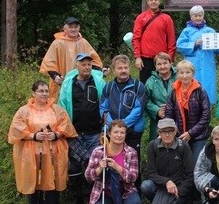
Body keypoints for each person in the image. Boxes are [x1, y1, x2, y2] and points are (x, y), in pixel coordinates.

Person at [8, 80, 78, 204]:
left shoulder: (57, 109)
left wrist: (57, 134)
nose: (44, 93)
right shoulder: (24, 111)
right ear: (33, 93)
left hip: (53, 154)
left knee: (53, 182)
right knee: (34, 183)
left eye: (46, 91)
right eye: (41, 91)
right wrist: (32, 136)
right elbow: (16, 129)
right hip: (31, 155)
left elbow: (66, 125)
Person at [58, 53, 106, 204]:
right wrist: (66, 130)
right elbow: (62, 107)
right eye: (83, 64)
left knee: (93, 164)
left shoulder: (99, 82)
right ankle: (76, 196)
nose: (86, 67)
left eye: (89, 65)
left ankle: (89, 195)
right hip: (75, 132)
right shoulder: (68, 84)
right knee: (74, 166)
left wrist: (105, 127)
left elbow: (105, 105)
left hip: (94, 132)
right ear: (77, 66)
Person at [100, 55, 146, 187]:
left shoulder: (138, 86)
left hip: (132, 132)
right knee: (113, 161)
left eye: (126, 67)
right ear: (114, 70)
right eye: (119, 68)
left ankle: (135, 192)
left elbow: (138, 109)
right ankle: (112, 191)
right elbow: (103, 108)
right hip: (113, 133)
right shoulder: (108, 88)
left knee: (133, 163)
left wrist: (123, 125)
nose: (123, 70)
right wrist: (113, 126)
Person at [40, 17, 106, 103]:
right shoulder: (57, 43)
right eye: (70, 27)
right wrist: (55, 75)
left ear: (79, 28)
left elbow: (94, 61)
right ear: (65, 28)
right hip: (62, 82)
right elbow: (49, 62)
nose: (73, 29)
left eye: (76, 26)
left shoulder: (83, 42)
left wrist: (100, 71)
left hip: (82, 82)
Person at [176, 5, 219, 105]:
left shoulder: (210, 31)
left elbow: (217, 49)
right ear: (191, 17)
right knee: (191, 87)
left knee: (207, 88)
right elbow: (180, 45)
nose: (198, 18)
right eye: (195, 16)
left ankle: (207, 110)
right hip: (192, 65)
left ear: (203, 16)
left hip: (207, 65)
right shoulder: (186, 31)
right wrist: (194, 44)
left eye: (200, 15)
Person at [85, 120, 141, 204]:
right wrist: (99, 169)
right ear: (109, 134)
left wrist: (117, 167)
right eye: (116, 132)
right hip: (104, 193)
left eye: (122, 133)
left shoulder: (131, 152)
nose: (119, 135)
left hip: (126, 192)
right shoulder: (98, 151)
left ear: (125, 135)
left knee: (135, 202)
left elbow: (133, 178)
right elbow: (88, 176)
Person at [165, 60, 211, 163]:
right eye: (181, 72)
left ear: (193, 73)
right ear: (177, 74)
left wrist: (190, 133)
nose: (184, 76)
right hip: (179, 135)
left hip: (198, 136)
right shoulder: (174, 92)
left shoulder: (201, 92)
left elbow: (206, 116)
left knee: (196, 165)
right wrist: (173, 130)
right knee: (180, 165)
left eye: (187, 72)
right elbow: (169, 113)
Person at [141, 119, 194, 204]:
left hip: (179, 187)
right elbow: (151, 173)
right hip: (161, 185)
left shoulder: (184, 146)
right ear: (159, 132)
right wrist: (166, 181)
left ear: (175, 131)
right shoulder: (152, 145)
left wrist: (180, 191)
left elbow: (190, 175)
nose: (167, 134)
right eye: (164, 131)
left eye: (170, 131)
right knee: (145, 185)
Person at [132, 0, 176, 84]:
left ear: (159, 1)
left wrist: (170, 59)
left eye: (155, 0)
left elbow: (171, 40)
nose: (153, 2)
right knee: (145, 84)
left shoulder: (166, 18)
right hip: (145, 58)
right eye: (151, 0)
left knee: (163, 84)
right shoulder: (141, 17)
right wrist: (137, 57)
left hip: (162, 59)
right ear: (147, 2)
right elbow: (136, 38)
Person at [144, 52, 178, 141]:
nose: (162, 66)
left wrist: (171, 107)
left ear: (170, 63)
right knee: (157, 146)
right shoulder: (150, 81)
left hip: (177, 117)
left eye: (165, 63)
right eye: (159, 64)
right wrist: (157, 110)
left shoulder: (179, 77)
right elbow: (146, 100)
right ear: (155, 66)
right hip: (158, 119)